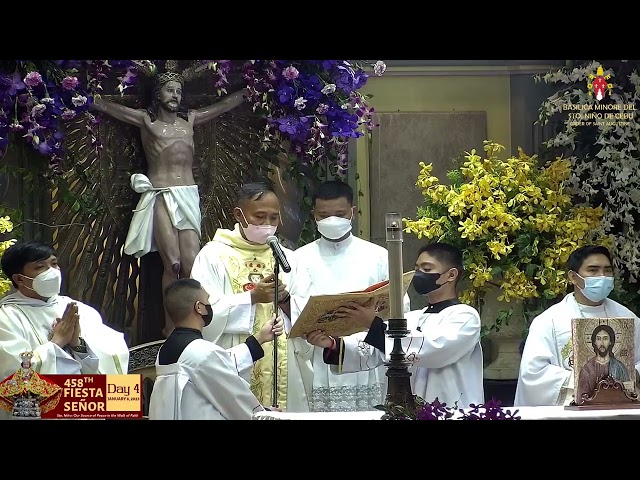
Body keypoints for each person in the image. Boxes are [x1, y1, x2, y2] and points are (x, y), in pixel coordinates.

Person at [90, 70, 248, 337]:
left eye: (178, 91)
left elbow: (221, 106)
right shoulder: (146, 120)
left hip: (187, 194)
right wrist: (78, 94)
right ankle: (171, 325)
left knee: (191, 265)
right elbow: (104, 105)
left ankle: (194, 323)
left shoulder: (190, 119)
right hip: (161, 193)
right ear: (158, 94)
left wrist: (248, 92)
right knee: (172, 264)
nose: (175, 95)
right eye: (170, 90)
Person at [305, 242, 484, 408]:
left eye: (427, 269)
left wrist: (372, 323)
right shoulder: (413, 317)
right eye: (416, 269)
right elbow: (377, 349)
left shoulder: (465, 317)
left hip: (450, 407)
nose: (419, 274)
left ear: (451, 275)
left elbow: (433, 350)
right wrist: (332, 344)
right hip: (406, 408)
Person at [190, 181, 312, 411]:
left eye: (274, 218)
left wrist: (285, 302)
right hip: (235, 359)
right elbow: (201, 311)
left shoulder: (288, 259)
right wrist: (251, 298)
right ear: (239, 214)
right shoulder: (213, 256)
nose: (267, 224)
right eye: (259, 216)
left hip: (283, 363)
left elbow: (307, 312)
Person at [292, 180, 411, 412]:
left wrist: (372, 315)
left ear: (353, 212)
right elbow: (294, 310)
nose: (332, 220)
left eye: (339, 213)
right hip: (321, 353)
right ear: (313, 214)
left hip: (367, 353)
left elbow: (401, 305)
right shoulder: (299, 258)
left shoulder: (377, 255)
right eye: (324, 215)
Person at [0, 240, 130, 418]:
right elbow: (11, 376)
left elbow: (112, 356)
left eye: (54, 264)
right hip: (46, 411)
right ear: (19, 279)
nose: (52, 272)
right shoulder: (6, 318)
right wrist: (57, 342)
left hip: (83, 407)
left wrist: (78, 344)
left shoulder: (79, 309)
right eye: (40, 267)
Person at [515, 245, 640, 406]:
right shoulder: (549, 321)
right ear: (573, 277)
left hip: (621, 408)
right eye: (593, 270)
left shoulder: (627, 317)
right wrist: (585, 380)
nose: (602, 277)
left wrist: (632, 374)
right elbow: (534, 372)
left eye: (607, 270)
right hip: (572, 409)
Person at [149, 278, 283, 420]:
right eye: (208, 300)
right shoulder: (203, 353)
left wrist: (259, 339)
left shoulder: (164, 351)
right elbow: (235, 400)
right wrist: (264, 413)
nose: (209, 305)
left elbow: (221, 364)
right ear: (199, 307)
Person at [577, 324, 630, 402]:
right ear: (594, 342)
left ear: (610, 342)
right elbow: (581, 398)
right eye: (598, 339)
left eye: (605, 339)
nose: (601, 343)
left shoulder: (619, 367)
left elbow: (628, 393)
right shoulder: (587, 369)